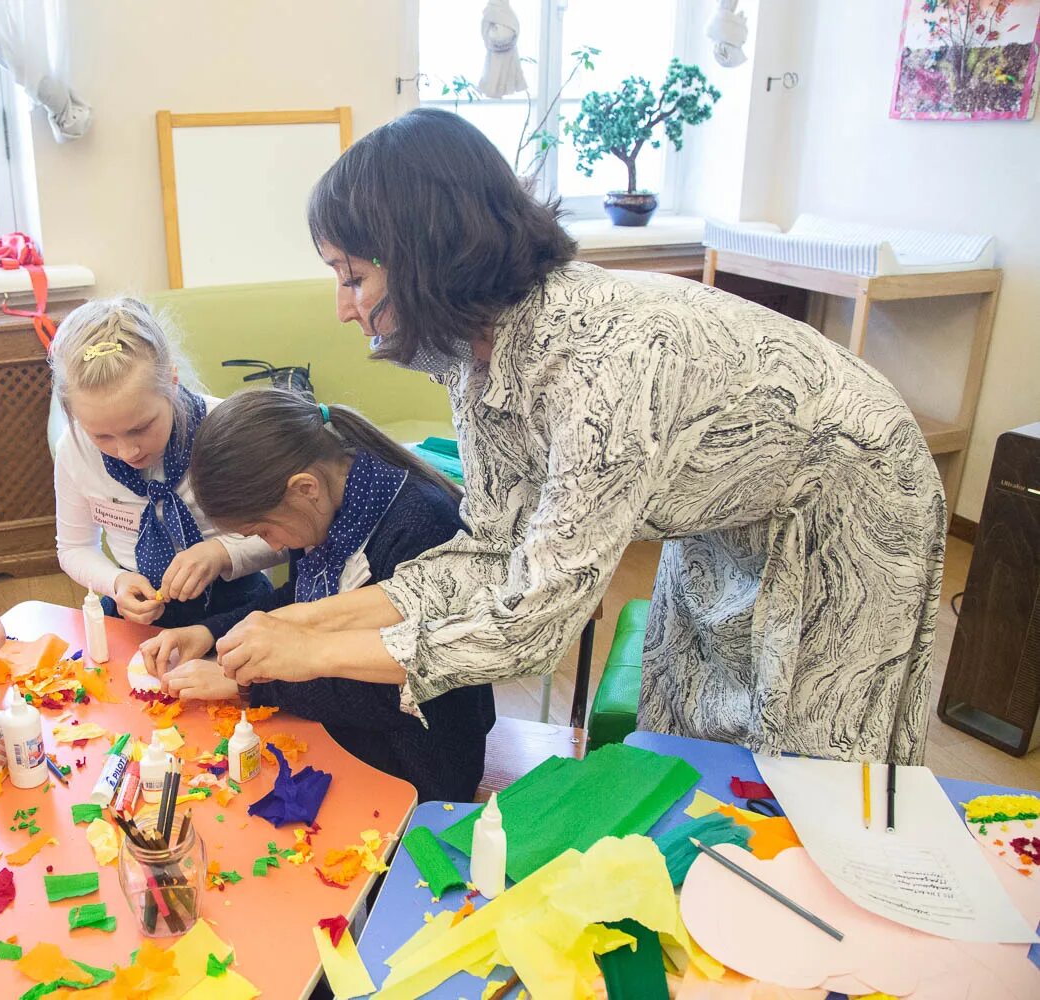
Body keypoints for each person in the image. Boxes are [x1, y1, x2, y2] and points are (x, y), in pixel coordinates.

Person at [216, 108, 945, 765]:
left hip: (850, 487)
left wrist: (314, 652)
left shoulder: (602, 366)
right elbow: (492, 550)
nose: (345, 308)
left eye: (351, 277)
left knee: (809, 758)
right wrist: (300, 622)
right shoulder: (472, 351)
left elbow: (533, 625)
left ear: (422, 255)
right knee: (690, 724)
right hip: (730, 500)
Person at [140, 389, 494, 801]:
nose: (271, 547)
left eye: (264, 531)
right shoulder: (329, 498)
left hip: (416, 762)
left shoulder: (419, 524)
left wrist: (248, 685)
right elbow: (301, 601)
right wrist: (209, 633)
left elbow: (393, 689)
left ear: (304, 488)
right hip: (344, 722)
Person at [50, 296, 281, 627]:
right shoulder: (74, 450)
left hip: (237, 600)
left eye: (141, 428)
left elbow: (287, 536)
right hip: (137, 606)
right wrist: (116, 583)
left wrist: (220, 554)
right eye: (102, 437)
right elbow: (73, 548)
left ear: (172, 383)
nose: (128, 451)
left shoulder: (228, 431)